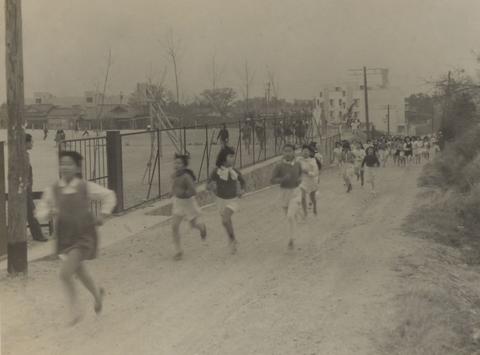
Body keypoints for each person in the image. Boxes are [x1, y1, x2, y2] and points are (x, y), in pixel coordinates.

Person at [35, 151, 117, 326]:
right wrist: (48, 213)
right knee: (79, 271)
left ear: (78, 167)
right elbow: (40, 212)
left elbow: (109, 195)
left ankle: (75, 309)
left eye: (69, 164)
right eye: (62, 163)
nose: (65, 167)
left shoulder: (85, 186)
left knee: (65, 274)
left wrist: (103, 214)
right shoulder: (53, 190)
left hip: (84, 235)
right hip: (65, 237)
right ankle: (97, 295)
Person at [207, 146, 246, 254]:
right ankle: (232, 238)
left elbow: (243, 182)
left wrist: (242, 190)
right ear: (223, 158)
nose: (233, 158)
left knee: (225, 220)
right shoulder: (216, 172)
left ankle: (232, 239)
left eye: (233, 156)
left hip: (232, 200)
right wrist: (211, 186)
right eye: (230, 156)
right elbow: (208, 184)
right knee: (227, 222)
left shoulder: (235, 171)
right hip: (220, 200)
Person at [171, 153, 207, 260]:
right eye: (176, 162)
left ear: (184, 165)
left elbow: (193, 191)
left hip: (188, 203)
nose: (177, 165)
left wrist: (184, 194)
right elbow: (174, 185)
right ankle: (178, 251)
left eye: (180, 163)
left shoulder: (186, 177)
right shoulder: (175, 175)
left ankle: (202, 228)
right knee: (174, 226)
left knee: (193, 225)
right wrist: (172, 192)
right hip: (178, 203)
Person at [271, 144, 302, 250]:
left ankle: (291, 239)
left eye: (290, 151)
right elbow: (272, 180)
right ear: (282, 152)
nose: (287, 153)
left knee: (290, 216)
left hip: (295, 192)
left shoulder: (297, 164)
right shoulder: (279, 166)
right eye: (285, 151)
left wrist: (300, 179)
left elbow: (301, 174)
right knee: (289, 218)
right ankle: (291, 236)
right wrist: (282, 179)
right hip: (284, 193)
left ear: (294, 152)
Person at [25, 134, 48, 242]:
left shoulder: (25, 154)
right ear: (26, 143)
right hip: (24, 189)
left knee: (29, 213)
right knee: (31, 212)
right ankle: (38, 235)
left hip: (26, 189)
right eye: (31, 141)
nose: (32, 143)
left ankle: (37, 235)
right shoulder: (24, 155)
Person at [298, 144, 319, 216]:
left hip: (311, 182)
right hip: (302, 182)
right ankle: (305, 212)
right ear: (301, 152)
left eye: (307, 151)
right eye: (304, 151)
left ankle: (315, 206)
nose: (305, 152)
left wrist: (307, 172)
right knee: (302, 197)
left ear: (310, 152)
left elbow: (316, 173)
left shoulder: (313, 161)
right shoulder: (299, 160)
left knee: (312, 198)